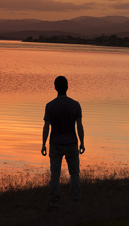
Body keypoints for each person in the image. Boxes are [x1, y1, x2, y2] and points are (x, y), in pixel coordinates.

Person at [41, 75, 84, 207]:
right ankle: (75, 201)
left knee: (55, 174)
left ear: (55, 88)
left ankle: (54, 202)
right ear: (67, 87)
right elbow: (79, 126)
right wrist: (82, 142)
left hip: (55, 144)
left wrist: (43, 144)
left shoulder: (50, 106)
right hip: (71, 143)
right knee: (74, 174)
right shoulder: (75, 105)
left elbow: (46, 126)